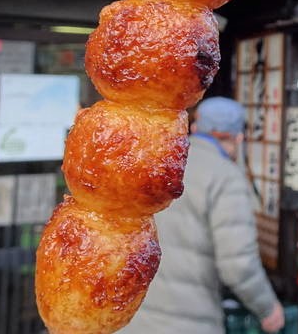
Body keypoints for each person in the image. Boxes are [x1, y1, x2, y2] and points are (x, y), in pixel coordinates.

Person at [122, 97, 285, 334]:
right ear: (238, 138)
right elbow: (238, 265)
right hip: (188, 321)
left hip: (133, 315)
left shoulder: (157, 162)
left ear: (195, 128)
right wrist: (267, 308)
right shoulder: (226, 178)